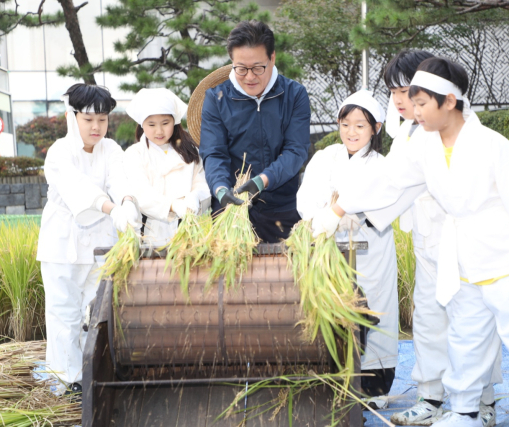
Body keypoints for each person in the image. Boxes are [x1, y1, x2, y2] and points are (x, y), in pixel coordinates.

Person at [313, 57, 509, 427]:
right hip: (463, 256)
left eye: (422, 103)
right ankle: (465, 410)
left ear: (449, 101)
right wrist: (339, 209)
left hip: (508, 257)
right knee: (465, 338)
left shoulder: (491, 145)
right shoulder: (422, 146)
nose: (415, 111)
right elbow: (388, 180)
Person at [383, 50, 502, 427]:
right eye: (394, 93)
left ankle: (482, 402)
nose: (401, 101)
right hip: (427, 242)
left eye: (407, 91)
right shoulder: (407, 131)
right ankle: (431, 396)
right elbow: (390, 185)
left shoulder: (464, 127)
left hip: (465, 244)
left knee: (473, 322)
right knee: (429, 319)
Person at [37, 84, 141, 399]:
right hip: (62, 244)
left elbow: (120, 179)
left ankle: (93, 376)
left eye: (103, 119)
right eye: (89, 120)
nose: (96, 127)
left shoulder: (111, 149)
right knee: (63, 312)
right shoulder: (59, 152)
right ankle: (65, 381)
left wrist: (128, 203)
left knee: (94, 312)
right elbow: (79, 189)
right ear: (73, 117)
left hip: (100, 243)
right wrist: (113, 209)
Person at [297, 90, 398, 408]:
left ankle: (375, 387)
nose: (351, 132)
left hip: (373, 251)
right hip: (330, 251)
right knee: (332, 311)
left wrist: (342, 208)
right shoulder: (325, 157)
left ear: (376, 128)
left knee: (375, 310)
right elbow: (305, 200)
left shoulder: (383, 165)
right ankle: (333, 380)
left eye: (360, 125)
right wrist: (324, 214)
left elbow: (377, 204)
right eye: (345, 124)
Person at [199, 20, 311, 243]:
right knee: (231, 276)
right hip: (230, 209)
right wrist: (221, 190)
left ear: (272, 58)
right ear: (231, 62)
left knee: (283, 274)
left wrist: (263, 181)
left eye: (258, 67)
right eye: (241, 68)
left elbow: (295, 151)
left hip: (282, 207)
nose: (250, 77)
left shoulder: (294, 95)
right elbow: (214, 153)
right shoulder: (216, 98)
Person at [123, 88, 210, 246]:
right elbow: (140, 193)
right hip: (150, 234)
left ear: (175, 122)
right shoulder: (135, 153)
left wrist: (195, 196)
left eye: (165, 123)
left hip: (188, 233)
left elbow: (201, 182)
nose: (159, 131)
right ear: (141, 124)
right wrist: (172, 205)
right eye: (151, 124)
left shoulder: (190, 151)